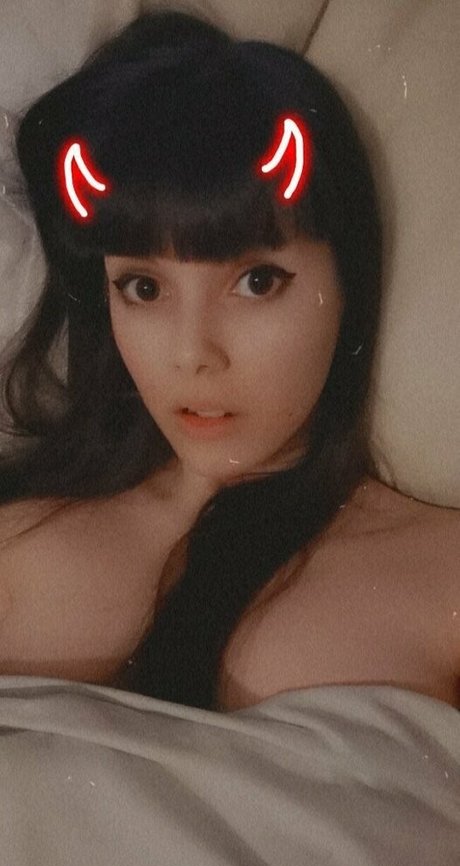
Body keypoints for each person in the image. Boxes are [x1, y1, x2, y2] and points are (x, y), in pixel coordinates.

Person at [0, 9, 458, 712]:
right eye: (143, 288)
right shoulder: (18, 545)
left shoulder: (443, 574)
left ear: (348, 284)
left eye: (257, 282)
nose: (193, 355)